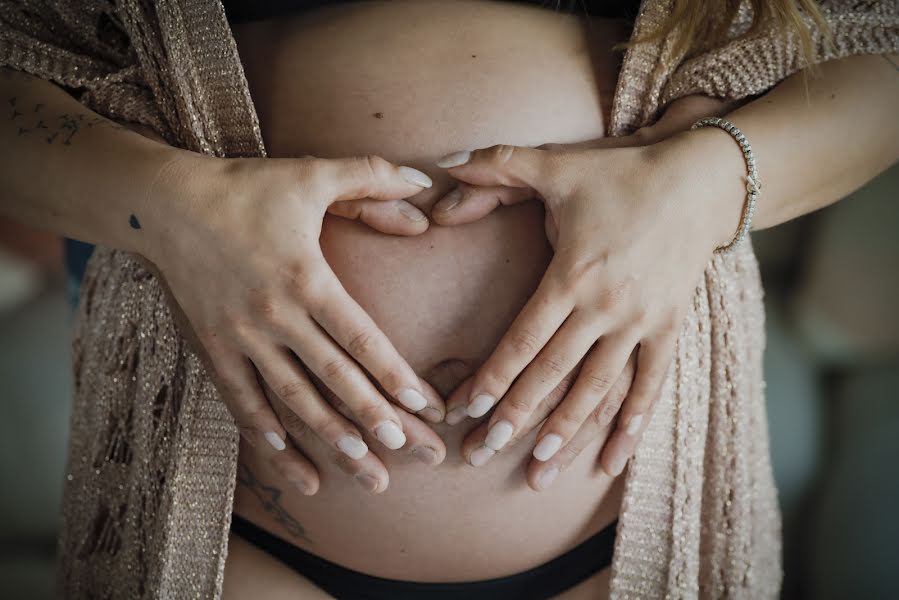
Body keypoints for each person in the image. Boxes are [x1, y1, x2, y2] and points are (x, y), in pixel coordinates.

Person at [0, 1, 896, 598]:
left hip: (632, 526)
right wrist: (169, 205)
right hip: (231, 526)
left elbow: (880, 49)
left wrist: (708, 181)